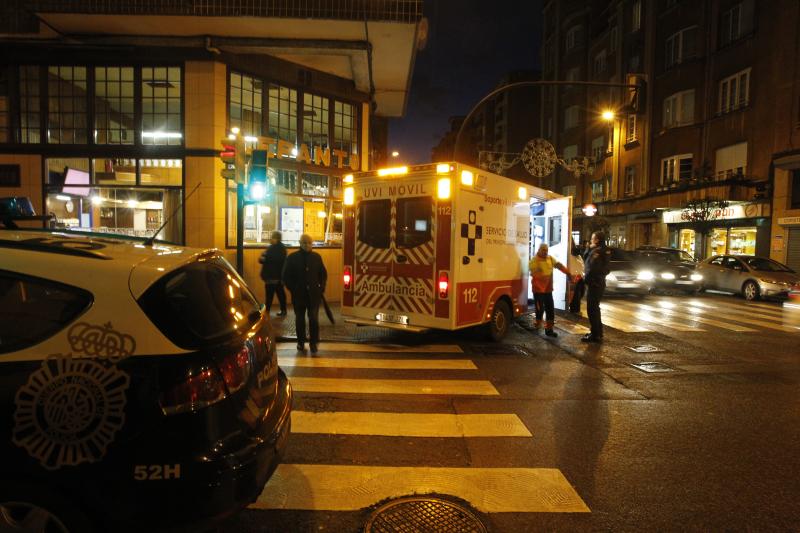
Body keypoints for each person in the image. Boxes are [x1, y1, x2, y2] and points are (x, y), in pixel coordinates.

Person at [282, 233, 327, 353]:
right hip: (299, 296)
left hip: (313, 295)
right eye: (304, 243)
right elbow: (286, 276)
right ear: (300, 243)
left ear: (312, 244)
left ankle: (313, 343)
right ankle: (301, 342)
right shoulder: (292, 257)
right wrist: (293, 289)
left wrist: (321, 287)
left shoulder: (317, 257)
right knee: (300, 320)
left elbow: (322, 274)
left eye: (309, 243)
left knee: (313, 319)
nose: (307, 245)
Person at [529, 243, 573, 337]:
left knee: (550, 310)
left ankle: (549, 330)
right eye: (543, 250)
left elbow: (559, 265)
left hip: (548, 290)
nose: (545, 252)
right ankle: (537, 326)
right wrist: (539, 274)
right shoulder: (534, 260)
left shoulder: (550, 258)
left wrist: (568, 273)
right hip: (538, 291)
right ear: (539, 250)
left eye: (546, 250)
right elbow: (532, 272)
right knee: (539, 310)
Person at [581, 231, 611, 343]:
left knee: (592, 309)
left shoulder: (597, 251)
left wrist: (586, 280)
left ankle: (595, 334)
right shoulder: (605, 250)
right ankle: (598, 332)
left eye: (592, 238)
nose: (591, 240)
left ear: (597, 240)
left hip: (595, 283)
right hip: (599, 282)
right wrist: (589, 248)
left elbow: (591, 267)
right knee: (595, 308)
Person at [259, 231, 287, 317]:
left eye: (272, 237)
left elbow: (264, 259)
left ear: (277, 238)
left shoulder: (274, 248)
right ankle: (282, 310)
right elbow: (262, 259)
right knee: (280, 294)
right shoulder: (279, 248)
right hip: (276, 276)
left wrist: (264, 256)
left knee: (270, 295)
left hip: (272, 276)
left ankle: (267, 311)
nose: (271, 239)